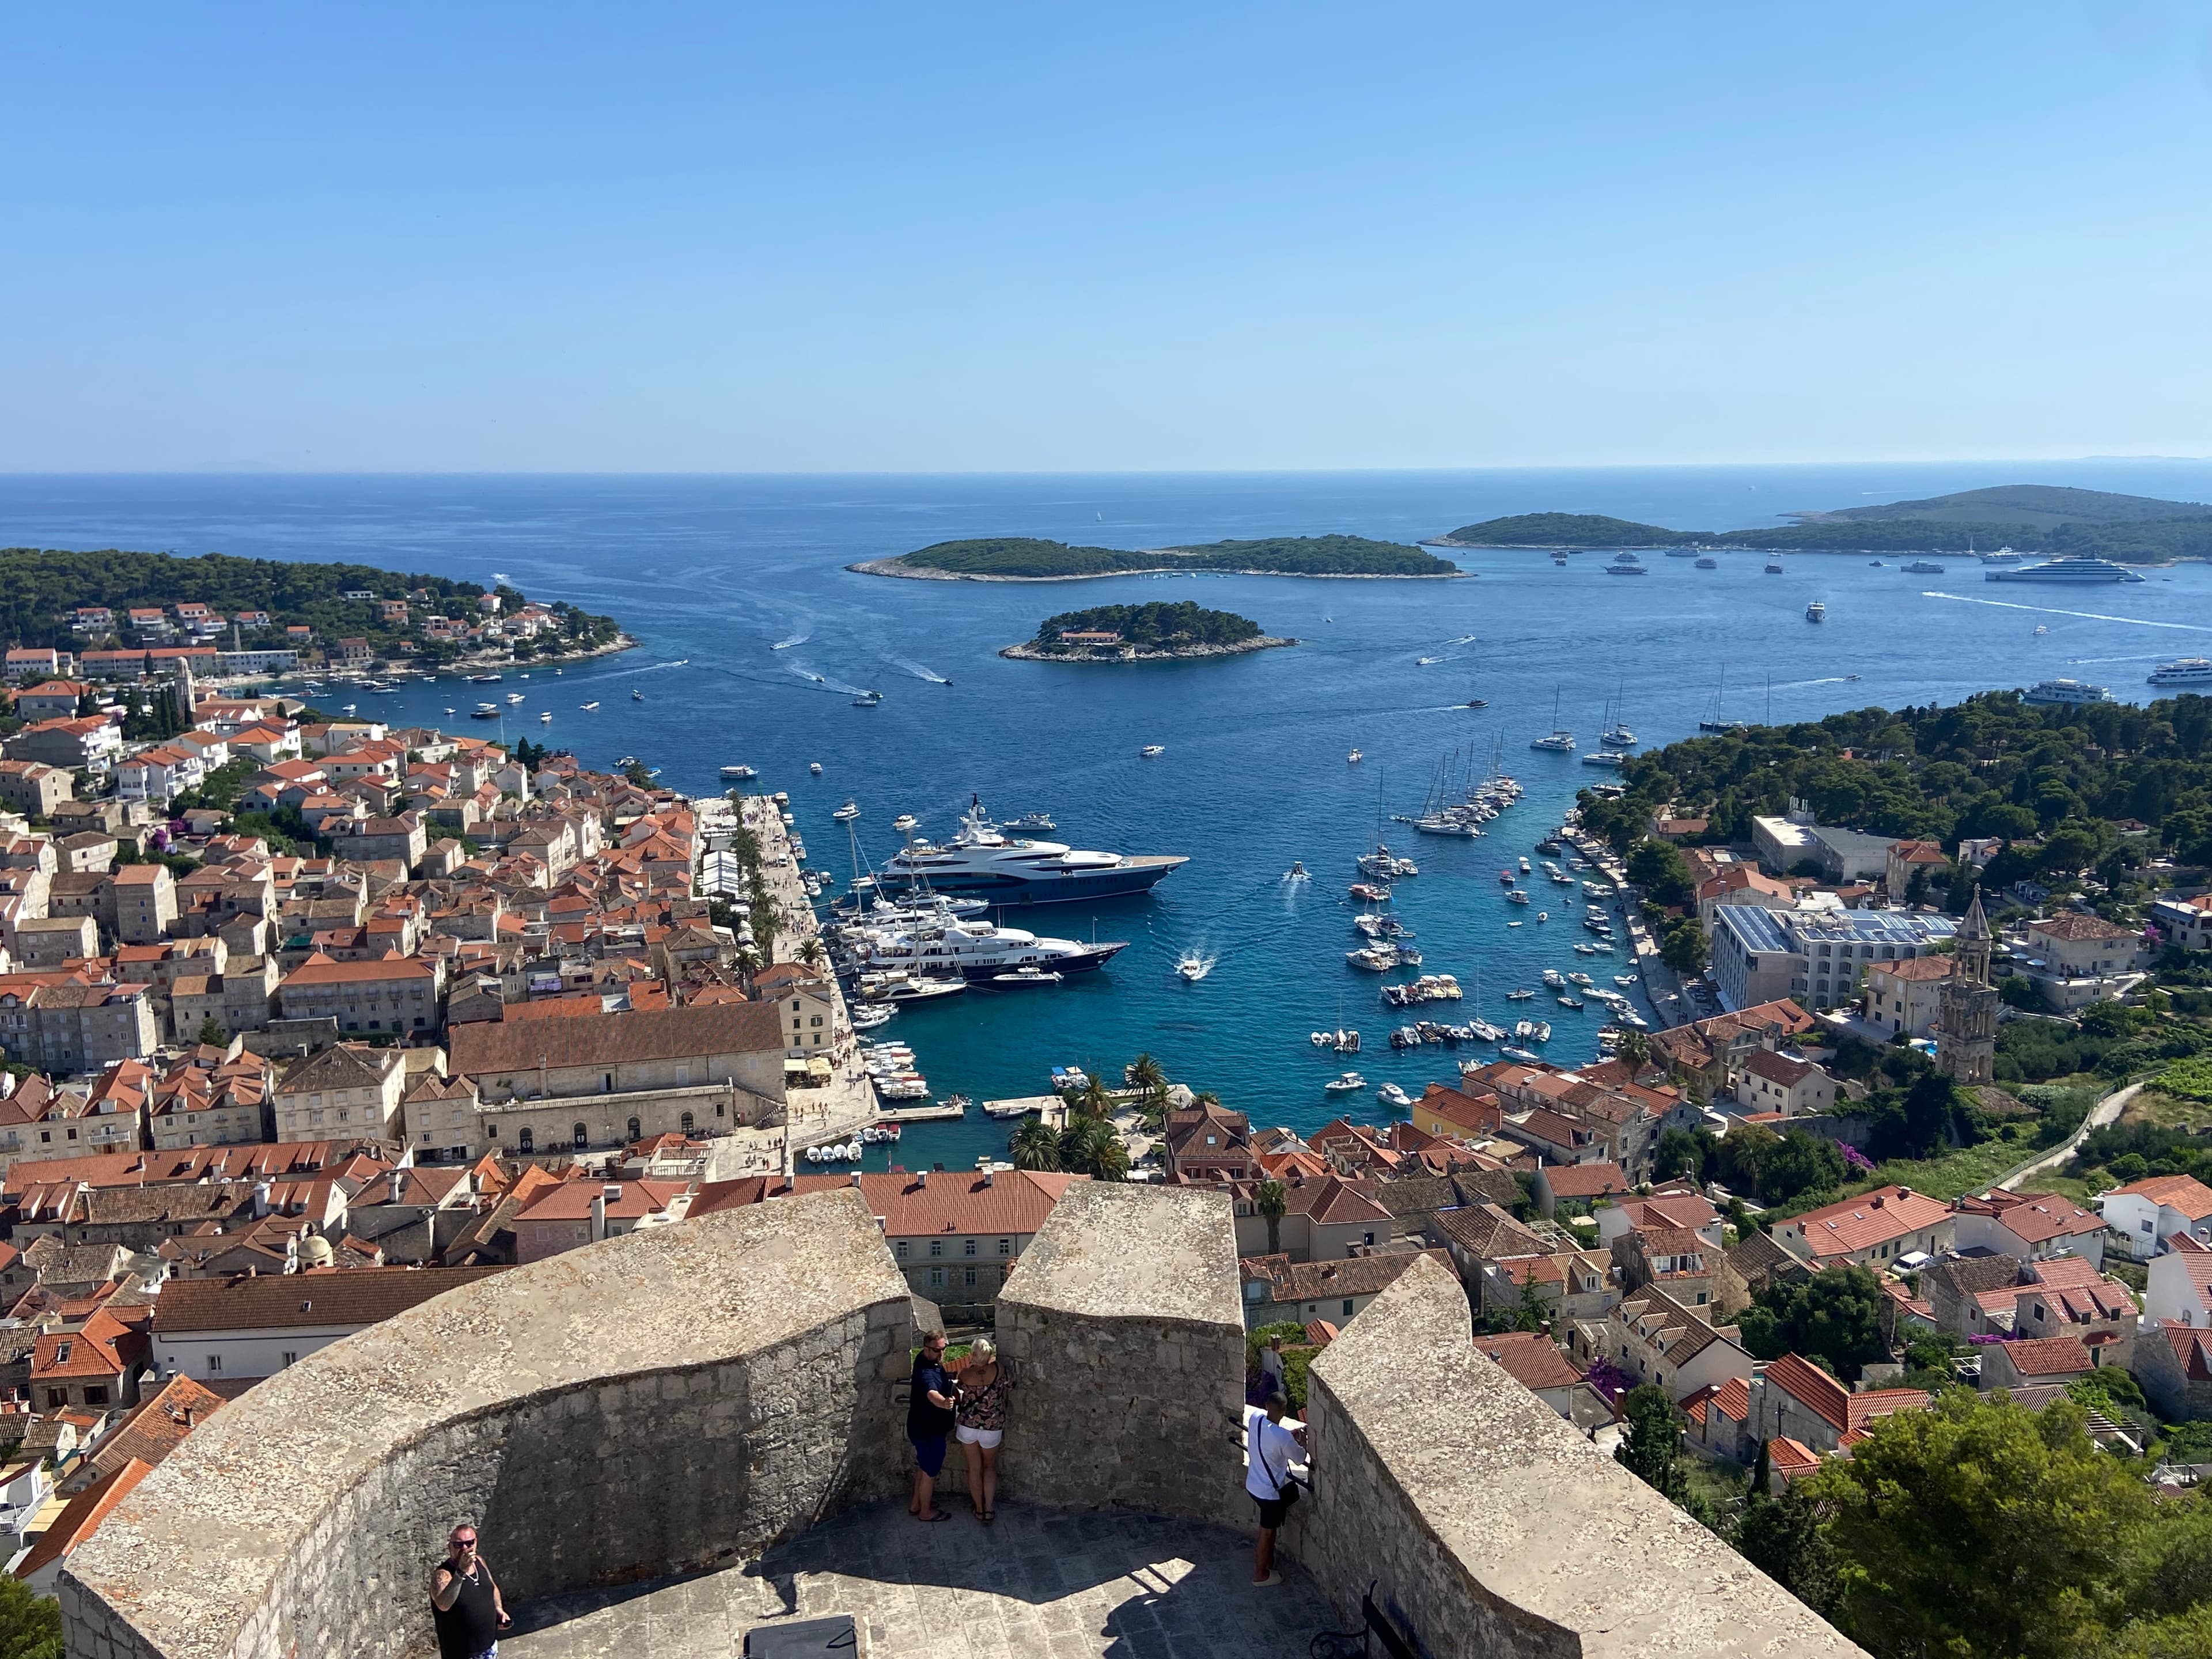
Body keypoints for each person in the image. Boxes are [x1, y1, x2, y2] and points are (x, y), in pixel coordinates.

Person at [1244, 1392, 1305, 1588]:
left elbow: (1271, 1438)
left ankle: (1268, 1563)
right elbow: (1300, 1458)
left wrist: (1288, 1438)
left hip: (1253, 1484)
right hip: (1269, 1494)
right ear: (1285, 1411)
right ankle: (1260, 1575)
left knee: (1267, 1529)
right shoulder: (1283, 1437)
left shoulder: (1255, 1419)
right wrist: (1301, 1442)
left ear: (1266, 1405)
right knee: (1267, 1533)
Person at [953, 1336, 1013, 1525]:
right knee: (989, 1467)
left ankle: (978, 1508)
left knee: (974, 1467)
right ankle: (989, 1509)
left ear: (973, 1354)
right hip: (992, 1426)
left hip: (968, 1426)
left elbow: (957, 1394)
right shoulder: (999, 1370)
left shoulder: (964, 1374)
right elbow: (1011, 1385)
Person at [430, 1523, 509, 1659]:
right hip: (462, 1653)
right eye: (458, 1545)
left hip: (489, 1647)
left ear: (476, 1543)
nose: (465, 1549)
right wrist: (461, 1571)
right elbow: (443, 1604)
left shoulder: (479, 1562)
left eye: (469, 1543)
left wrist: (499, 1610)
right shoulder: (443, 1575)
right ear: (450, 1547)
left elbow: (492, 1587)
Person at [907, 1331, 957, 1523]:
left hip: (919, 1426)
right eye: (937, 1350)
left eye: (944, 1349)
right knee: (930, 1472)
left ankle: (916, 1504)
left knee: (923, 1466)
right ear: (926, 1348)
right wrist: (945, 1403)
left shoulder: (922, 1359)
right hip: (929, 1430)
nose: (942, 1354)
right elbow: (931, 1393)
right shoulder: (926, 1371)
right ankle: (926, 1512)